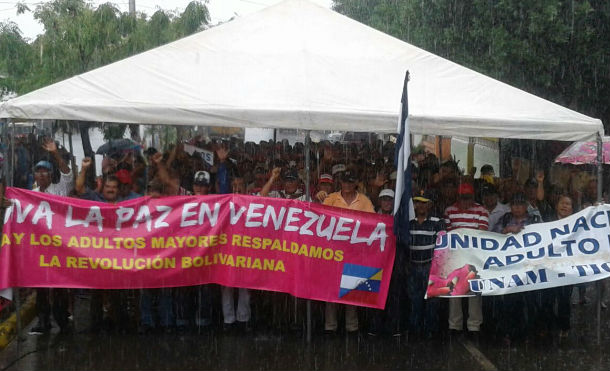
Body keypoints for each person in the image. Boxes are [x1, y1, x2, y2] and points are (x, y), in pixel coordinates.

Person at [320, 170, 375, 334]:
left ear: (356, 183)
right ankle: (330, 326)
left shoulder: (364, 200)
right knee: (331, 290)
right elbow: (321, 220)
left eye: (351, 182)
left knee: (351, 288)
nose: (348, 185)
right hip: (333, 252)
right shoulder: (330, 199)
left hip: (355, 252)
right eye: (345, 181)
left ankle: (352, 327)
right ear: (340, 183)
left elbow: (372, 223)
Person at [29, 139, 73, 335]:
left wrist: (55, 154)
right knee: (40, 286)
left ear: (50, 174)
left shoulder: (59, 190)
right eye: (38, 172)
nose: (41, 174)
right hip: (39, 247)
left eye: (45, 171)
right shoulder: (31, 194)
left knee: (59, 286)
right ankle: (43, 320)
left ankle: (62, 320)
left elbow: (67, 174)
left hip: (58, 246)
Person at [444, 182, 488, 338]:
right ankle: (454, 325)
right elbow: (449, 235)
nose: (466, 201)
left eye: (468, 198)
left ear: (473, 197)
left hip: (474, 256)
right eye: (463, 198)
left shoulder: (482, 211)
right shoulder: (449, 211)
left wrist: (462, 235)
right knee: (454, 290)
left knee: (474, 290)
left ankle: (474, 325)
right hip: (455, 256)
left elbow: (482, 233)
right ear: (458, 197)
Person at [496, 192, 541, 343]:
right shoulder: (505, 219)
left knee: (530, 302)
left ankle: (528, 333)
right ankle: (510, 332)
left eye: (520, 204)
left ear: (526, 206)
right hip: (510, 268)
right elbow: (492, 236)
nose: (516, 208)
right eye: (514, 204)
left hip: (530, 268)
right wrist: (506, 230)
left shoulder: (535, 220)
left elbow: (544, 236)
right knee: (510, 302)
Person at [407, 190, 444, 339]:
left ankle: (430, 331)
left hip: (431, 266)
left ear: (430, 204)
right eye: (418, 202)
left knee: (432, 301)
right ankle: (415, 331)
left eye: (424, 202)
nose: (421, 206)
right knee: (414, 300)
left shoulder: (437, 222)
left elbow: (442, 246)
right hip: (413, 266)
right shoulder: (408, 222)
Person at [541, 194, 575, 338]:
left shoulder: (577, 224)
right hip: (550, 267)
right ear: (556, 206)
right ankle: (548, 326)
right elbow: (541, 200)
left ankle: (564, 327)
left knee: (564, 299)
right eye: (562, 203)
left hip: (567, 268)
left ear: (572, 209)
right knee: (548, 299)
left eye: (568, 204)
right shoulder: (549, 221)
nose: (564, 206)